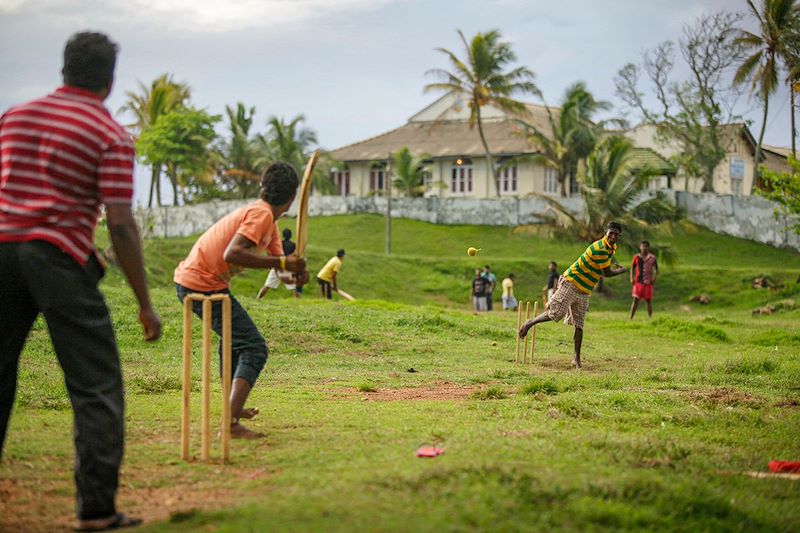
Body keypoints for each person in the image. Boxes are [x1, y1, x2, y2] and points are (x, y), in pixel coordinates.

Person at [0, 32, 162, 531]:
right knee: (95, 384)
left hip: (1, 250)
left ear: (64, 68)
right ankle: (96, 508)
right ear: (110, 80)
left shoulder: (13, 118)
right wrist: (144, 303)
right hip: (57, 256)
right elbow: (118, 223)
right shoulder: (109, 133)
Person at [174, 162, 309, 439]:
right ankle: (231, 422)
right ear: (292, 197)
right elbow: (232, 254)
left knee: (235, 344)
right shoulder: (260, 214)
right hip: (201, 283)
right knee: (254, 347)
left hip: (203, 283)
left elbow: (280, 272)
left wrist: (297, 276)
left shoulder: (268, 221)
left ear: (264, 187)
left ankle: (231, 408)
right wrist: (284, 260)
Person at [519, 222, 627, 369]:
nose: (613, 237)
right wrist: (621, 270)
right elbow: (607, 273)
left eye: (616, 234)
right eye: (610, 233)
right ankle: (529, 322)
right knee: (556, 313)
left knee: (579, 324)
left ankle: (576, 358)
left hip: (585, 289)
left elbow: (603, 266)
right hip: (572, 281)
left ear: (619, 236)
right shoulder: (600, 248)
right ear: (605, 233)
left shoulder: (612, 248)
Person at [257, 228, 302, 299]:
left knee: (267, 285)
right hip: (287, 267)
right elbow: (295, 255)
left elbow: (271, 252)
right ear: (290, 236)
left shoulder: (279, 244)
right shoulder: (293, 245)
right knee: (293, 287)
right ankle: (298, 301)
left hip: (277, 266)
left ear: (283, 235)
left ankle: (258, 298)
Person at [630, 240, 659, 319]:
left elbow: (656, 269)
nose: (644, 248)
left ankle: (650, 318)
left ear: (648, 247)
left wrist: (654, 278)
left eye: (646, 246)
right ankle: (631, 318)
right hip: (638, 282)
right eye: (643, 246)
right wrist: (631, 278)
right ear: (640, 247)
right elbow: (632, 268)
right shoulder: (636, 257)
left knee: (648, 301)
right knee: (635, 300)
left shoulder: (652, 258)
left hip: (648, 283)